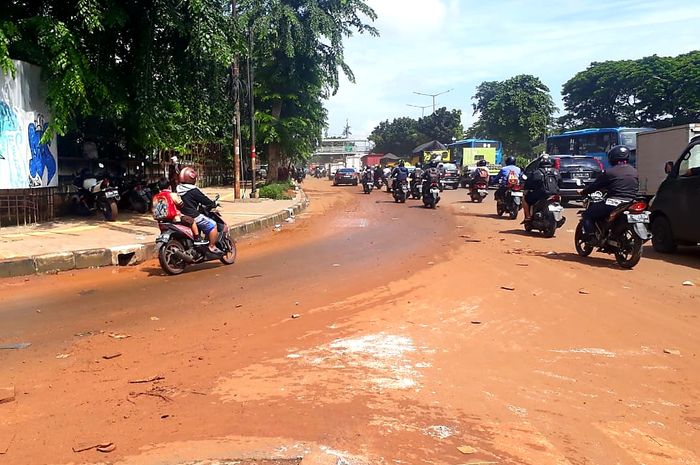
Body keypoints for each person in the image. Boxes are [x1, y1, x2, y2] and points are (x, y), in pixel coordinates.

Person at [579, 145, 639, 238]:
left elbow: (595, 186)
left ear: (612, 157)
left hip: (614, 202)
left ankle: (591, 237)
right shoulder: (634, 171)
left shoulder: (609, 172)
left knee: (587, 215)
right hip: (630, 202)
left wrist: (583, 192)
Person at [176, 167, 222, 254]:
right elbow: (204, 200)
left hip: (180, 215)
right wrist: (213, 204)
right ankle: (212, 246)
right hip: (192, 215)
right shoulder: (193, 190)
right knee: (213, 225)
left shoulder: (178, 188)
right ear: (192, 178)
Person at [523, 156, 560, 221]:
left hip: (540, 195)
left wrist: (527, 189)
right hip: (554, 194)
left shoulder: (537, 172)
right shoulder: (556, 172)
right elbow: (560, 183)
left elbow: (528, 183)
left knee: (525, 199)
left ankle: (528, 217)